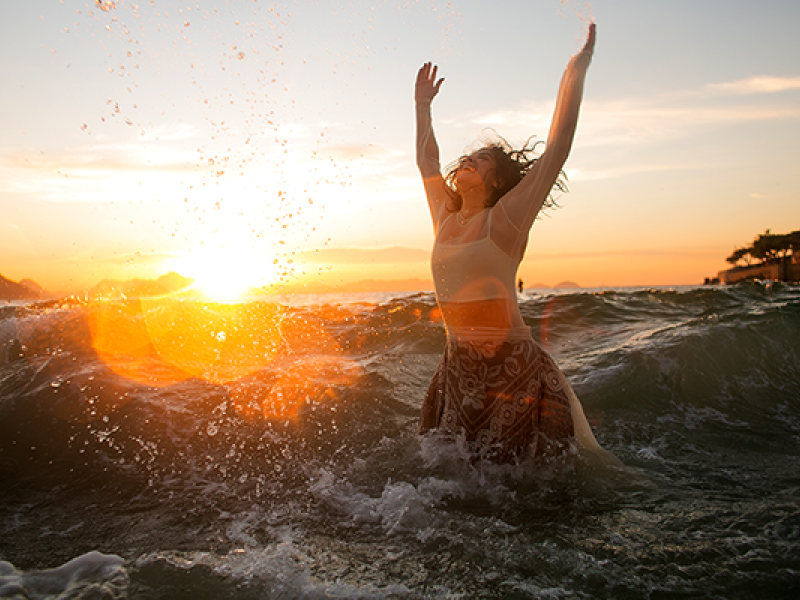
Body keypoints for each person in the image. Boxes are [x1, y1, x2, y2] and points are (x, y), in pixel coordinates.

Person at [415, 23, 601, 461]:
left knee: (511, 488)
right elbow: (426, 159)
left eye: (482, 160)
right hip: (457, 368)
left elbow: (557, 146)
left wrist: (577, 68)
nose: (469, 161)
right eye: (470, 157)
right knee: (457, 481)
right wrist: (422, 105)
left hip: (512, 372)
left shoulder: (505, 220)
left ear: (497, 180)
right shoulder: (445, 215)